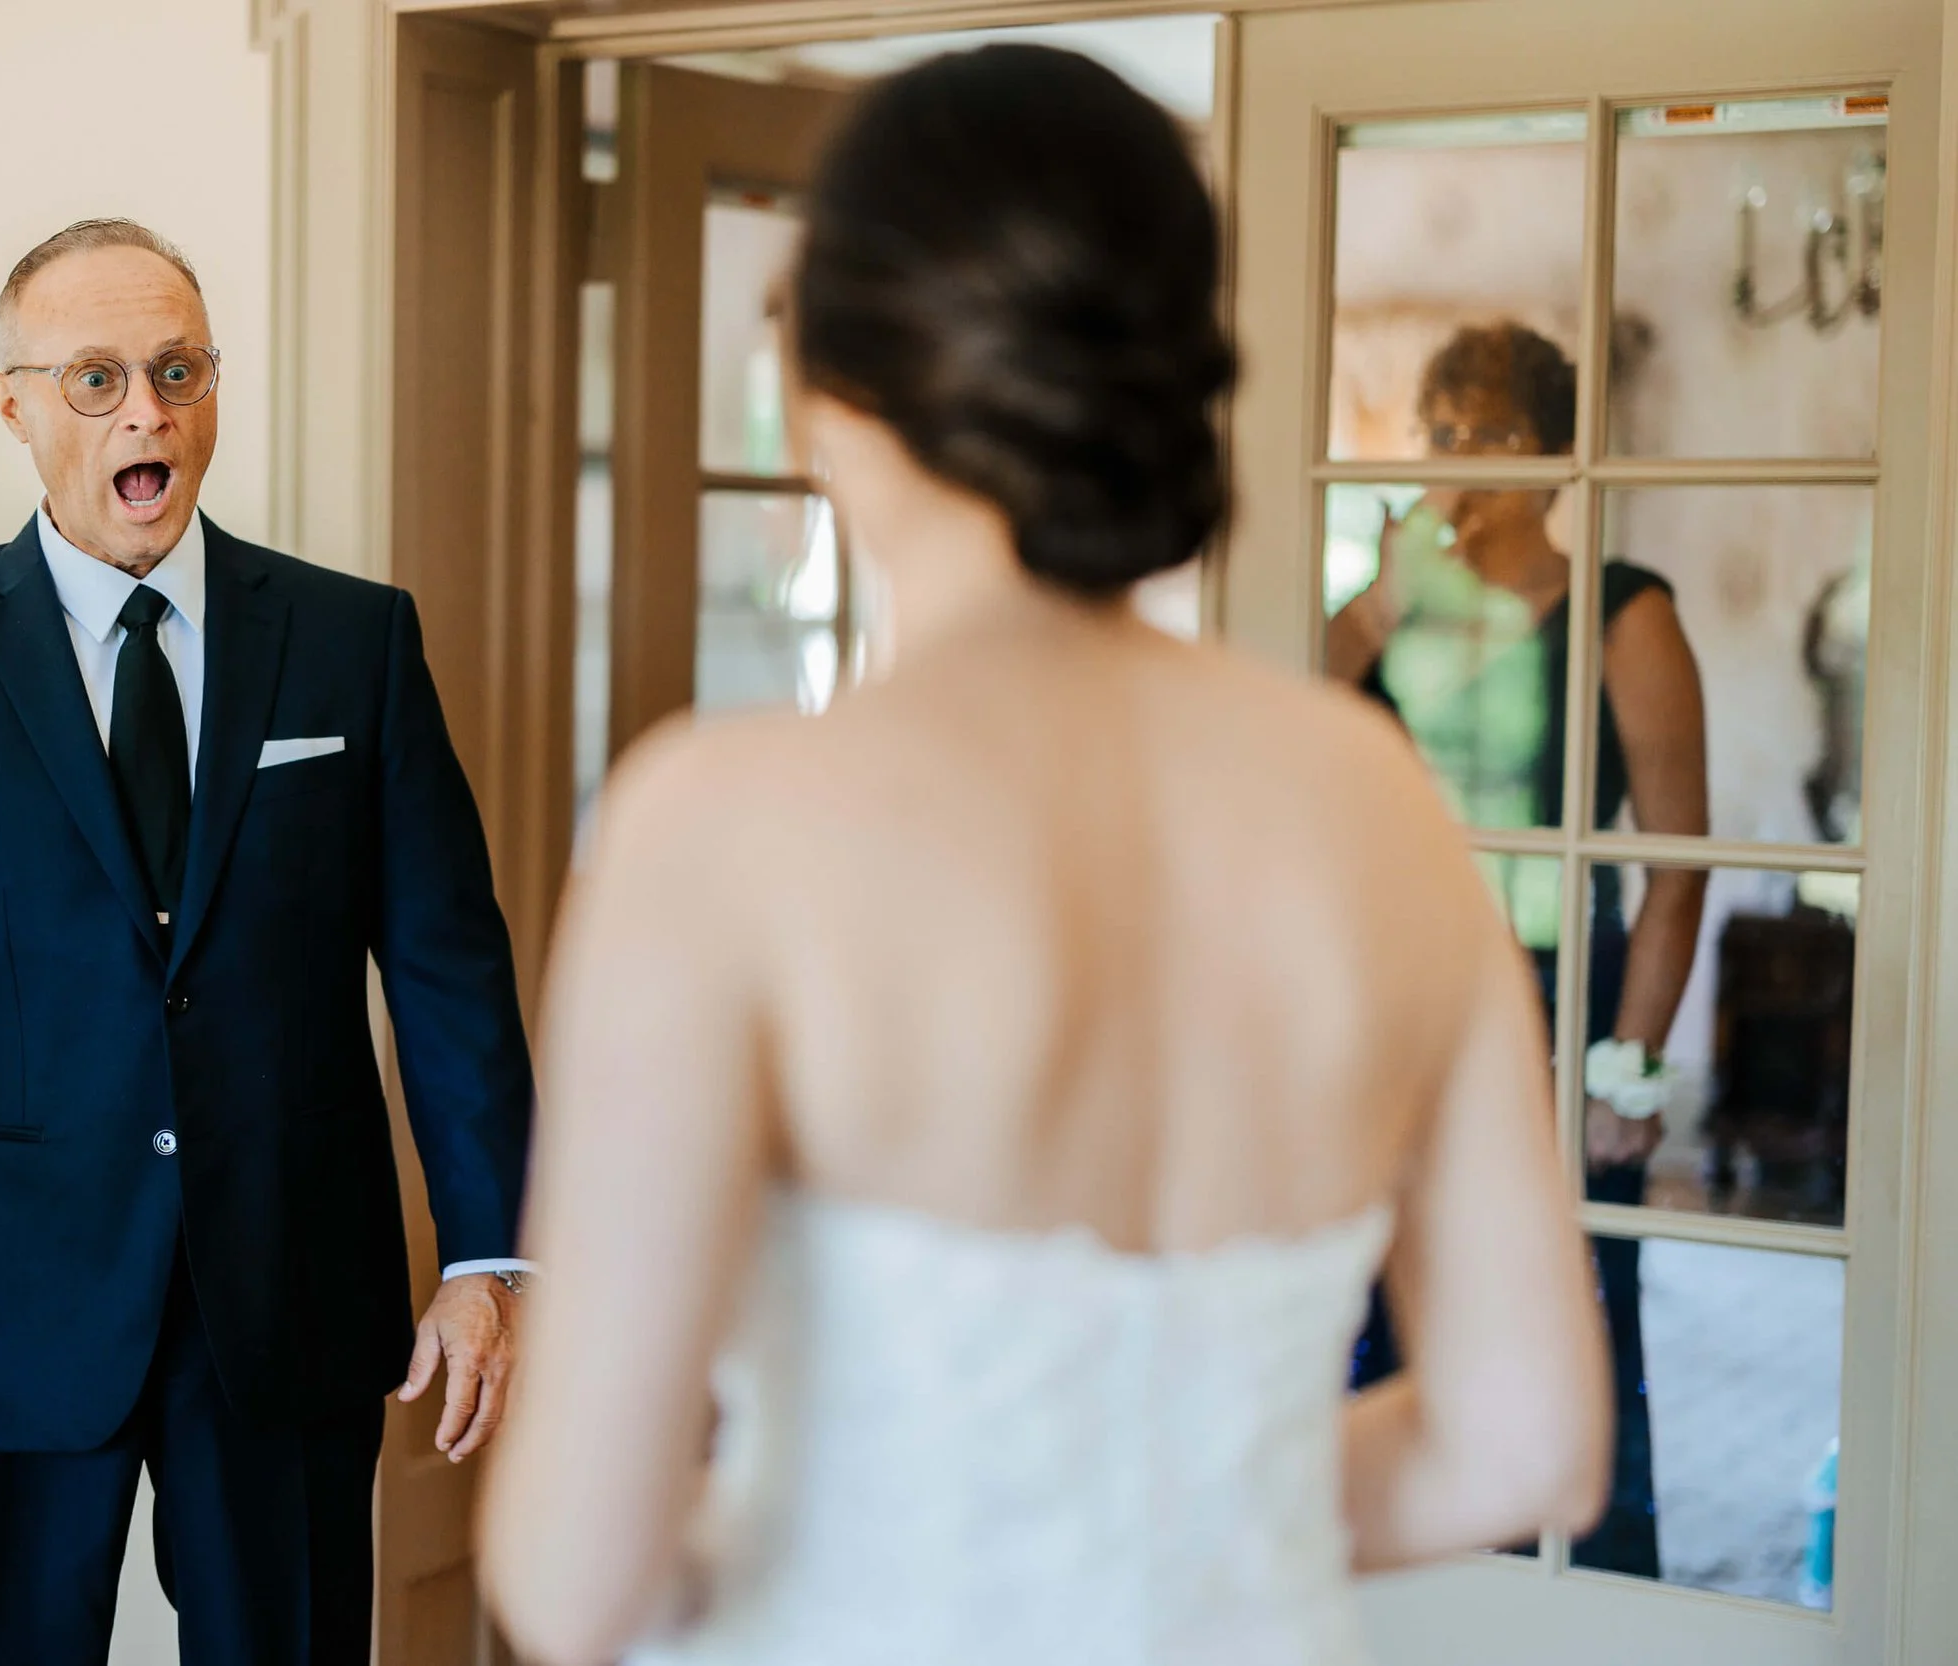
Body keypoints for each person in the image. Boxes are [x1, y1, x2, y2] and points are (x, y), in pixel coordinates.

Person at [479, 46, 1610, 1666]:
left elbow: (578, 1578)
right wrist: (1187, 1519)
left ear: (824, 385)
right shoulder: (1372, 803)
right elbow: (1524, 1443)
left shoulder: (724, 827)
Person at [0, 218, 535, 1665]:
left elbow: (450, 971)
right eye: (94, 379)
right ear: (15, 405)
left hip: (290, 1300)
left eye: (177, 370)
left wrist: (488, 1252)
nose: (145, 412)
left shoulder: (356, 642)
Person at [1327, 321, 1709, 1579]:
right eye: (1442, 436)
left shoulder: (1624, 612)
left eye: (1492, 433)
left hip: (1557, 1000)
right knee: (1375, 1297)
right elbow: (1286, 731)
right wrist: (1385, 600)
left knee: (1564, 1297)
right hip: (1391, 1002)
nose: (1464, 463)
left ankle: (1576, 1598)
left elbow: (1671, 864)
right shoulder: (1385, 609)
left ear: (1554, 459)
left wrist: (1628, 1070)